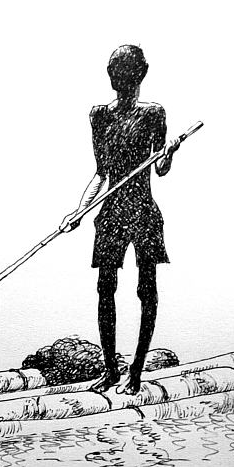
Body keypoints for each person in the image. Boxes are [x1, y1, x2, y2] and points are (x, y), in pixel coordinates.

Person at [59, 45, 181, 395]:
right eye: (116, 75)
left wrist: (169, 154)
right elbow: (101, 173)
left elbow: (159, 168)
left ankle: (137, 373)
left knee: (146, 291)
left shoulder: (154, 114)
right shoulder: (99, 115)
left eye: (125, 75)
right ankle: (112, 370)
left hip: (142, 211)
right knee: (105, 289)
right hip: (111, 211)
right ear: (111, 78)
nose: (121, 82)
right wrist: (79, 211)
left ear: (139, 76)